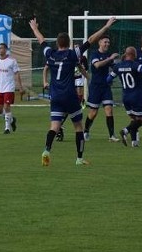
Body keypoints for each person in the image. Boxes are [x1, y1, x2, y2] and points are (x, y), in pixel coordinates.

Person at [30, 16, 116, 166]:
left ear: (57, 43)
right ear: (69, 43)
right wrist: (106, 26)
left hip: (55, 96)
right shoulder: (72, 54)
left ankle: (47, 150)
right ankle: (79, 158)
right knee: (78, 127)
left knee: (54, 127)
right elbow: (91, 39)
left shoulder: (50, 53)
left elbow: (41, 40)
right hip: (69, 95)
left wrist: (35, 28)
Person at [109, 46, 142, 147]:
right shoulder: (134, 65)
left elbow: (108, 79)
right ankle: (125, 131)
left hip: (125, 97)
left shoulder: (118, 66)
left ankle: (134, 142)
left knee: (134, 119)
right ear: (134, 55)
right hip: (136, 96)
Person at [83, 34, 120, 142]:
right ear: (99, 43)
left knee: (109, 110)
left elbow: (115, 68)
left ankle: (112, 135)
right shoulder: (95, 54)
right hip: (95, 87)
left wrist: (114, 73)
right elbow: (97, 65)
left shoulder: (108, 55)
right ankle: (86, 131)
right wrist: (110, 58)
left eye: (108, 42)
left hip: (106, 87)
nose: (107, 44)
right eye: (105, 42)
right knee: (93, 112)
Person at [0, 42, 23, 134]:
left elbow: (17, 73)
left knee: (6, 106)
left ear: (5, 49)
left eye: (1, 48)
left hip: (9, 88)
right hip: (0, 88)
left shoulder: (12, 61)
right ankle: (12, 120)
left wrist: (20, 87)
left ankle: (7, 128)